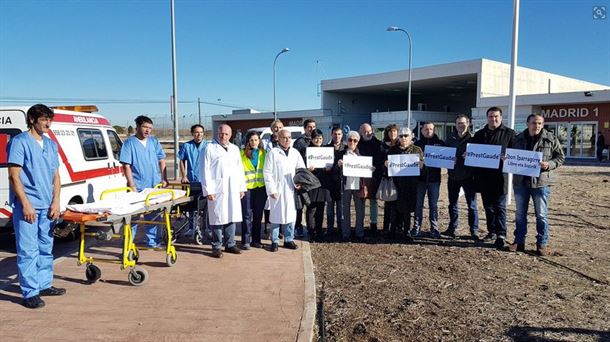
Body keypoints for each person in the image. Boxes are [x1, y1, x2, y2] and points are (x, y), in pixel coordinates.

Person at [8, 104, 66, 309]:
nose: (48, 123)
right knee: (28, 249)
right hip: (29, 207)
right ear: (32, 119)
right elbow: (14, 176)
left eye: (50, 119)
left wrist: (56, 201)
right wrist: (25, 204)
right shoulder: (19, 142)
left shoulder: (51, 145)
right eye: (44, 120)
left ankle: (44, 284)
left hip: (47, 205)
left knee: (46, 247)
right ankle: (30, 292)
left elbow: (56, 176)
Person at [509, 114, 564, 255]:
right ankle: (519, 241)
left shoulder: (551, 138)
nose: (537, 125)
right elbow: (511, 156)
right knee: (520, 214)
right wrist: (507, 159)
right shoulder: (517, 139)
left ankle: (542, 244)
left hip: (541, 183)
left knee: (541, 214)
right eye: (534, 123)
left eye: (540, 123)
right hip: (521, 182)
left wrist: (549, 164)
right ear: (528, 123)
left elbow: (560, 157)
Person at [119, 115, 168, 248]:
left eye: (150, 128)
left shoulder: (153, 142)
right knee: (134, 216)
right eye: (145, 127)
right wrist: (132, 185)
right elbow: (126, 166)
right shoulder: (129, 143)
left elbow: (161, 160)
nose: (148, 130)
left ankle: (152, 241)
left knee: (154, 215)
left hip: (154, 184)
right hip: (138, 185)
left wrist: (164, 178)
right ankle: (128, 243)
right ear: (138, 127)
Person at [472, 106, 516, 249]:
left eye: (496, 116)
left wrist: (509, 158)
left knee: (500, 207)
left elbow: (516, 153)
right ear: (487, 118)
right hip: (484, 178)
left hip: (500, 178)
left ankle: (501, 234)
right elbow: (473, 152)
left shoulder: (509, 134)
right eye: (491, 116)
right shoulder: (479, 134)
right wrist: (469, 156)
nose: (493, 119)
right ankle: (492, 231)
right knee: (488, 207)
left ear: (501, 117)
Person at [201, 124, 247, 258]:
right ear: (217, 133)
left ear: (230, 135)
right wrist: (208, 190)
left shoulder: (234, 149)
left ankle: (230, 244)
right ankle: (216, 246)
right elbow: (204, 170)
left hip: (232, 188)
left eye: (226, 134)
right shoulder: (209, 148)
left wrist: (241, 187)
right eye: (221, 133)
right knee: (217, 218)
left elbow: (239, 169)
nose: (223, 136)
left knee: (231, 216)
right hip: (217, 189)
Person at [263, 128, 305, 251]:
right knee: (276, 216)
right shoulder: (273, 153)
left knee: (291, 216)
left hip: (291, 189)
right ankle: (274, 241)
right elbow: (267, 172)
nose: (287, 140)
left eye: (289, 137)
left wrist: (299, 183)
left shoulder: (295, 153)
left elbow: (301, 170)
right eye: (284, 137)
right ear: (279, 139)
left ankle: (288, 239)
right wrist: (271, 190)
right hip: (277, 190)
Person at [442, 115, 480, 240]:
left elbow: (479, 156)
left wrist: (470, 156)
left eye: (463, 123)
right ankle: (452, 228)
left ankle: (474, 230)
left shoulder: (474, 139)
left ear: (468, 124)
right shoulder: (449, 139)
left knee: (472, 205)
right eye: (458, 123)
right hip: (453, 176)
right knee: (452, 204)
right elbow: (443, 155)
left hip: (469, 176)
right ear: (455, 124)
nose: (461, 125)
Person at [385, 127, 422, 241]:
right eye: (401, 136)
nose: (404, 138)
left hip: (410, 185)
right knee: (393, 209)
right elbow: (386, 169)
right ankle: (393, 231)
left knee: (407, 210)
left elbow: (423, 170)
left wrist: (422, 166)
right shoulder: (392, 150)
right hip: (396, 184)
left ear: (411, 137)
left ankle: (406, 232)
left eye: (406, 135)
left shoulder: (417, 150)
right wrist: (386, 165)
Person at [412, 122, 445, 238]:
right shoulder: (416, 145)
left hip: (434, 179)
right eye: (426, 129)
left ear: (434, 130)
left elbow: (446, 158)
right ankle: (416, 227)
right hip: (420, 179)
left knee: (433, 205)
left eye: (431, 129)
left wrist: (451, 160)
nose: (428, 131)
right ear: (422, 131)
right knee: (418, 204)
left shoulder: (440, 144)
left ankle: (434, 228)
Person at [178, 124, 208, 237]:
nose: (199, 134)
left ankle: (206, 228)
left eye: (201, 132)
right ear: (192, 133)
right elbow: (181, 160)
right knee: (191, 206)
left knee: (205, 207)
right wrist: (183, 175)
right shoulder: (187, 146)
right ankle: (191, 227)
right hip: (191, 181)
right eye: (196, 132)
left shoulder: (208, 146)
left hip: (204, 181)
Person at [337, 130, 367, 242]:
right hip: (346, 185)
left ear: (358, 142)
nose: (352, 142)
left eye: (355, 140)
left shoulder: (361, 154)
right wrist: (338, 164)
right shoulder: (341, 154)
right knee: (345, 210)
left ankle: (359, 232)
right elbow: (335, 169)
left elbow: (366, 167)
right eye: (350, 139)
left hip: (358, 185)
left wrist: (370, 169)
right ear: (347, 140)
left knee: (360, 210)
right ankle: (346, 233)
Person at [240, 131, 267, 249]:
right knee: (246, 215)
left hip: (261, 188)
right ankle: (246, 240)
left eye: (256, 140)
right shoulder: (241, 154)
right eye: (251, 140)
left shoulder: (264, 153)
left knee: (258, 215)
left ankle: (256, 240)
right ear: (247, 142)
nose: (254, 142)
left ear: (259, 141)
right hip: (247, 188)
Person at [305, 129, 332, 242]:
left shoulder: (326, 151)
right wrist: (308, 169)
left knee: (320, 209)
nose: (318, 140)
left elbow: (331, 164)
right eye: (316, 138)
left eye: (320, 138)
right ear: (312, 139)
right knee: (311, 209)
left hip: (322, 184)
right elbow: (302, 167)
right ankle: (311, 232)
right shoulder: (307, 151)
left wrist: (329, 168)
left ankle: (319, 231)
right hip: (311, 183)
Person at [357, 123, 383, 235]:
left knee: (373, 201)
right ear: (360, 132)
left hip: (374, 175)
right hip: (360, 176)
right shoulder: (357, 143)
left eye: (369, 131)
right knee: (361, 200)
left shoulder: (378, 144)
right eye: (365, 132)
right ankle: (360, 223)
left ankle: (373, 223)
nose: (367, 133)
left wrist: (375, 167)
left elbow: (381, 158)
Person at [293, 119, 317, 237]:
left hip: (313, 180)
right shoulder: (299, 143)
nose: (311, 129)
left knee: (311, 205)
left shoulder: (318, 141)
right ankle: (298, 227)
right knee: (300, 205)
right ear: (304, 128)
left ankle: (311, 228)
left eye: (313, 126)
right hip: (302, 178)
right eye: (309, 127)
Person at [324, 126, 346, 237]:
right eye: (335, 134)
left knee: (340, 208)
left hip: (341, 183)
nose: (337, 136)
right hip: (329, 183)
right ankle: (330, 229)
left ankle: (341, 228)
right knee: (330, 208)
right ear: (331, 135)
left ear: (342, 135)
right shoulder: (326, 148)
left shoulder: (346, 149)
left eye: (339, 134)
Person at [380, 124, 399, 236]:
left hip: (399, 178)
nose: (393, 134)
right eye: (390, 132)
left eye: (395, 132)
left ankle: (397, 227)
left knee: (398, 205)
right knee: (388, 204)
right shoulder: (383, 146)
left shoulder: (401, 144)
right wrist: (384, 163)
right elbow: (379, 159)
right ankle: (386, 227)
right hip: (388, 178)